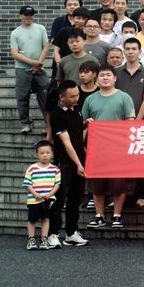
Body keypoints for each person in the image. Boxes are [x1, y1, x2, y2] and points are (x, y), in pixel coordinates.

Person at [82, 64, 135, 229]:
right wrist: (85, 128)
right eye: (102, 75)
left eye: (108, 75)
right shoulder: (90, 99)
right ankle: (99, 215)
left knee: (118, 184)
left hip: (117, 148)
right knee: (97, 185)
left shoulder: (124, 97)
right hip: (97, 149)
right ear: (97, 79)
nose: (105, 78)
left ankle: (117, 215)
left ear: (115, 78)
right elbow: (83, 123)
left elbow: (130, 121)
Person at [47, 80, 88, 247]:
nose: (76, 98)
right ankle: (52, 234)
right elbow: (67, 143)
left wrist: (86, 124)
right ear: (61, 96)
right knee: (59, 199)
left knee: (75, 199)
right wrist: (78, 164)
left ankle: (71, 233)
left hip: (80, 161)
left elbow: (76, 132)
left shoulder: (76, 110)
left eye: (77, 95)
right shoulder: (57, 114)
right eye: (72, 96)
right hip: (64, 163)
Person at [10, 5, 51, 135]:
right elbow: (15, 54)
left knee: (46, 96)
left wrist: (38, 63)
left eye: (31, 14)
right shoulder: (15, 33)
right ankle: (25, 123)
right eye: (26, 14)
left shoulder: (40, 28)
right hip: (22, 69)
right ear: (20, 15)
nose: (28, 17)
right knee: (22, 97)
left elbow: (46, 46)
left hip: (39, 68)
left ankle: (48, 124)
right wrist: (32, 63)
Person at [23, 140, 60, 250]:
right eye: (42, 153)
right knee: (32, 219)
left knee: (45, 219)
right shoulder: (32, 168)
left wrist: (50, 194)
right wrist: (35, 194)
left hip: (47, 199)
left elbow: (57, 184)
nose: (45, 155)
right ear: (37, 154)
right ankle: (31, 239)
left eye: (47, 152)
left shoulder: (55, 169)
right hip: (33, 199)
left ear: (52, 153)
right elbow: (27, 183)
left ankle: (44, 239)